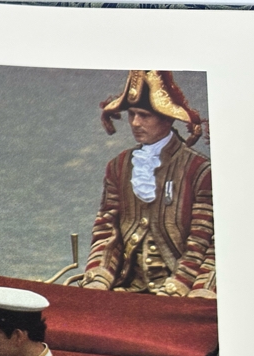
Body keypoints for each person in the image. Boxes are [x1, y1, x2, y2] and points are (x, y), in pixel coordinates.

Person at [79, 70, 215, 299]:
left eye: (144, 115)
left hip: (181, 289)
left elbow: (201, 241)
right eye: (131, 114)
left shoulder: (200, 170)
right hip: (127, 287)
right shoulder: (118, 166)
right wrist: (99, 278)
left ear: (168, 118)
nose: (135, 122)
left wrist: (180, 286)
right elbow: (106, 231)